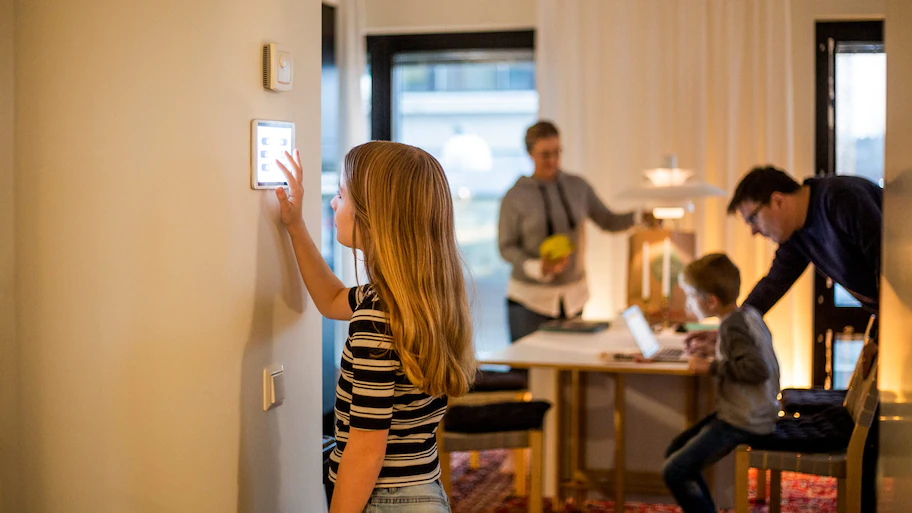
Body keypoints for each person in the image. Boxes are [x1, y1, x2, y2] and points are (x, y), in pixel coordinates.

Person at [275, 143, 476, 512]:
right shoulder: (415, 298)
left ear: (375, 218)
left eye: (341, 195)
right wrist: (295, 225)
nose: (333, 204)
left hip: (386, 501)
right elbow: (332, 298)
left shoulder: (376, 317)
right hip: (423, 490)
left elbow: (366, 451)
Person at [684, 165, 882, 511]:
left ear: (777, 201)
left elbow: (890, 267)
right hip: (888, 322)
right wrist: (727, 329)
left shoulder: (840, 200)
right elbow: (771, 285)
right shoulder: (799, 235)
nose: (755, 232)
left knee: (880, 447)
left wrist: (885, 335)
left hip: (899, 322)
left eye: (753, 220)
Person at [498, 120, 646, 341]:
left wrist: (640, 216)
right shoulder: (515, 196)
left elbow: (608, 220)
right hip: (529, 300)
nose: (553, 160)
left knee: (568, 368)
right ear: (530, 154)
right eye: (545, 154)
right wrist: (537, 266)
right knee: (529, 371)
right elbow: (506, 246)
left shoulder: (578, 186)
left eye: (557, 152)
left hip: (573, 297)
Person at [664, 253, 781, 513]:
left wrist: (711, 366)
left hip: (744, 421)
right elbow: (745, 354)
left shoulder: (731, 327)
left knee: (675, 470)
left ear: (711, 301)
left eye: (692, 296)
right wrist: (714, 347)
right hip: (753, 412)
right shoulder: (746, 314)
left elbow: (756, 368)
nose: (690, 303)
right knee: (675, 452)